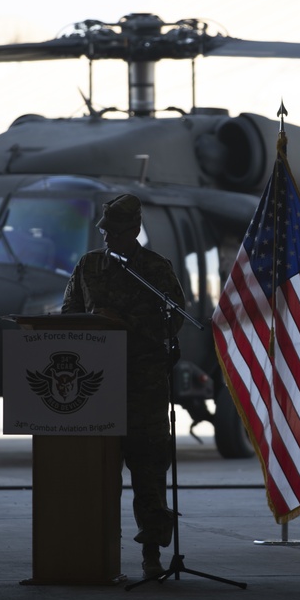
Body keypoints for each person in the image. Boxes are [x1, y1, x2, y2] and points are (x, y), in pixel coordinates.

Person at [61, 193, 185, 579]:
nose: (107, 238)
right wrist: (92, 321)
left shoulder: (155, 269)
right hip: (96, 389)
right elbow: (69, 315)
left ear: (134, 230)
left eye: (115, 232)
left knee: (148, 473)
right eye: (105, 231)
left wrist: (124, 322)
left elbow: (174, 322)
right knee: (97, 475)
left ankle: (152, 554)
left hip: (144, 389)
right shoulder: (88, 266)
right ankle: (97, 552)